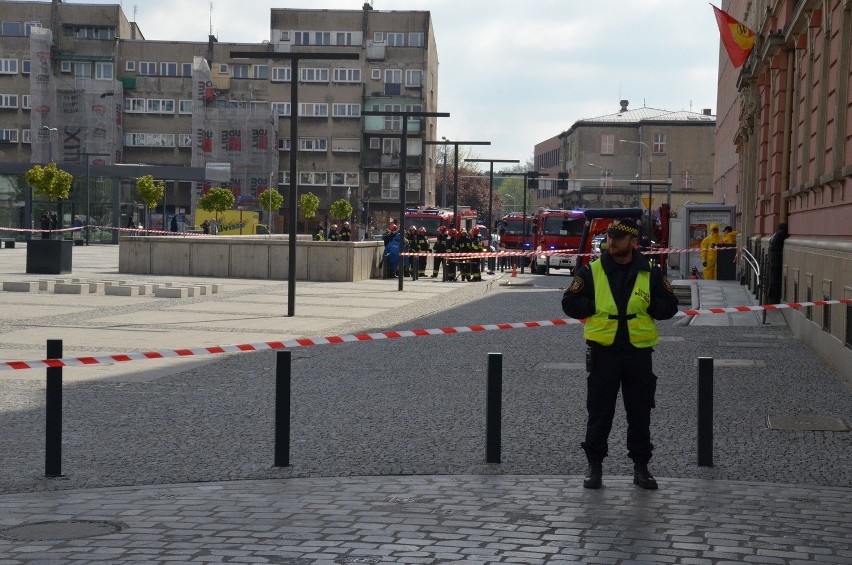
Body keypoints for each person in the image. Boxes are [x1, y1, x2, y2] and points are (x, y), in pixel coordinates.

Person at [561, 217, 679, 491]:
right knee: (600, 411)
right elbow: (569, 303)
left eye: (617, 239)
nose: (610, 243)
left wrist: (650, 308)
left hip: (638, 352)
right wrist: (596, 306)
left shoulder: (651, 272)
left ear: (633, 243)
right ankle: (594, 466)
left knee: (639, 412)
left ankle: (641, 467)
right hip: (603, 352)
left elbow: (670, 305)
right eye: (609, 238)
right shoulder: (592, 271)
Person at [766, 223, 788, 305]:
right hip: (776, 262)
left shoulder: (776, 235)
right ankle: (773, 298)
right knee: (775, 281)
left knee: (773, 280)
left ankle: (771, 298)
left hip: (774, 262)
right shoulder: (781, 235)